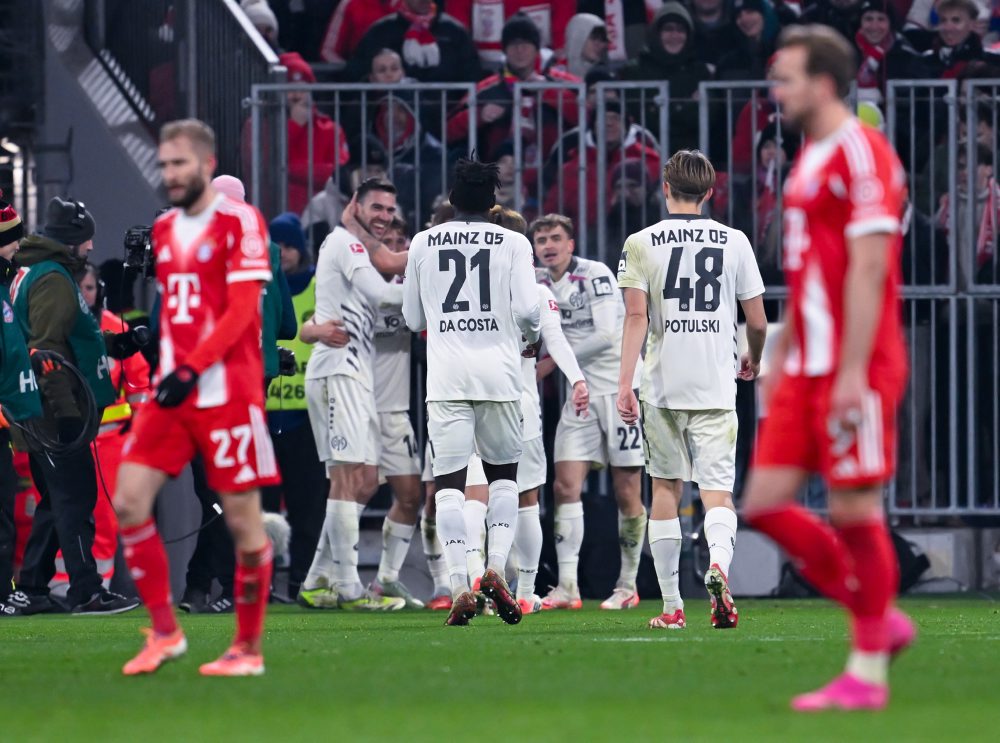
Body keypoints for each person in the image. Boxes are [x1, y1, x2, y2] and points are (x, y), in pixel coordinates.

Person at [742, 25, 915, 711]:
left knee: (851, 509)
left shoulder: (862, 153)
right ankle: (877, 614)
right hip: (807, 359)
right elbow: (809, 269)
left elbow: (871, 268)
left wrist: (850, 372)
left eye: (785, 79)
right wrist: (781, 350)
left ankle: (866, 670)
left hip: (855, 362)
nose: (776, 92)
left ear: (822, 82)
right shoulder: (810, 155)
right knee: (764, 504)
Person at [114, 118, 280, 676]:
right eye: (164, 164)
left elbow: (240, 312)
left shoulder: (241, 222)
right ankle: (165, 633)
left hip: (225, 390)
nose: (170, 174)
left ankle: (248, 650)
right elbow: (176, 313)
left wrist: (193, 367)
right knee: (129, 502)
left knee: (241, 523)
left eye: (180, 163)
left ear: (206, 164)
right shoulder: (165, 232)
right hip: (176, 388)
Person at [616, 150, 767, 630]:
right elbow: (757, 320)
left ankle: (671, 608)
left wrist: (625, 383)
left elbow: (636, 317)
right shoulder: (734, 240)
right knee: (717, 493)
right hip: (716, 384)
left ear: (665, 187)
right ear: (709, 192)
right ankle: (719, 568)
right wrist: (754, 356)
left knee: (664, 488)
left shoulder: (641, 242)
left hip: (662, 385)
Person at [402, 158, 540, 626]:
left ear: (451, 200)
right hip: (499, 375)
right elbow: (527, 308)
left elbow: (414, 320)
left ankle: (460, 583)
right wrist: (531, 335)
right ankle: (497, 568)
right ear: (493, 202)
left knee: (449, 486)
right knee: (504, 477)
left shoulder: (422, 242)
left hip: (446, 379)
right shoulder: (515, 242)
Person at [5, 197, 139, 617]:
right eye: (85, 240)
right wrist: (65, 415)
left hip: (40, 406)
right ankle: (85, 590)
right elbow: (45, 351)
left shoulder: (40, 272)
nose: (90, 248)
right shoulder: (52, 279)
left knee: (54, 502)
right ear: (71, 240)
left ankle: (31, 587)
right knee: (75, 499)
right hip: (53, 410)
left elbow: (69, 340)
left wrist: (122, 343)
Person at [296, 178, 408, 612]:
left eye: (389, 209)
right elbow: (382, 293)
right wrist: (431, 293)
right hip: (336, 371)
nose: (384, 216)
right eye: (376, 207)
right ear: (354, 207)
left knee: (361, 480)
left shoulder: (356, 244)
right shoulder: (342, 243)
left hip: (357, 374)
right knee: (346, 478)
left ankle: (315, 581)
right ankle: (348, 587)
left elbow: (390, 259)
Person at [529, 213, 646, 611]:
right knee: (564, 486)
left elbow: (606, 334)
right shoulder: (536, 282)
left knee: (627, 490)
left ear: (571, 243)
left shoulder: (595, 274)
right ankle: (567, 588)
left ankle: (628, 584)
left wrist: (549, 364)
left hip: (618, 390)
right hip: (578, 394)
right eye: (541, 239)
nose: (548, 245)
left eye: (555, 238)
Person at [487, 205, 589, 614]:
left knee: (478, 498)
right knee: (525, 497)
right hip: (521, 402)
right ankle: (526, 592)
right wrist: (577, 378)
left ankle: (475, 581)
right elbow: (557, 342)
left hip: (472, 397)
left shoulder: (476, 289)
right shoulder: (537, 290)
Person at [263, 211, 333, 602]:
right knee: (265, 511)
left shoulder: (320, 288)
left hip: (308, 416)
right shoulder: (258, 287)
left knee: (308, 509)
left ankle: (303, 584)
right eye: (277, 245)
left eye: (289, 245)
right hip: (267, 410)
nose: (284, 253)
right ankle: (265, 587)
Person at [359, 216, 425, 609]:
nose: (399, 249)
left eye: (404, 242)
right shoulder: (359, 285)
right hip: (360, 406)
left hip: (396, 409)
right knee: (356, 491)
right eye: (392, 242)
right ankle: (336, 577)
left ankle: (385, 579)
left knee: (410, 494)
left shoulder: (409, 290)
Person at [445, 14, 581, 167]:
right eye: (513, 44)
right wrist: (478, 115)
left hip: (553, 176)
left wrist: (549, 93)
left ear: (537, 49)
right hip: (497, 178)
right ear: (504, 50)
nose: (519, 50)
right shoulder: (486, 89)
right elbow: (448, 132)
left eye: (526, 44)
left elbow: (589, 119)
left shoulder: (563, 84)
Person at [0, 197, 41, 603]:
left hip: (7, 420)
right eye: (12, 239)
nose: (18, 246)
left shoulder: (6, 286)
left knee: (5, 514)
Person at [619, 2, 713, 152]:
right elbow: (642, 120)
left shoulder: (700, 72)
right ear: (656, 33)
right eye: (668, 29)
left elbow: (707, 117)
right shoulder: (634, 71)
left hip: (689, 159)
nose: (674, 36)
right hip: (645, 155)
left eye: (680, 30)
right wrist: (684, 106)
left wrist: (660, 109)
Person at [345, 0, 482, 86]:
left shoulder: (454, 30)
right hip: (390, 118)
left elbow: (472, 75)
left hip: (446, 117)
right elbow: (356, 74)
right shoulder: (380, 31)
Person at [280, 52, 351, 214]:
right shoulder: (268, 126)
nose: (297, 95)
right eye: (290, 89)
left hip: (322, 214)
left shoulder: (331, 128)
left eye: (302, 88)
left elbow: (336, 174)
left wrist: (291, 169)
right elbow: (271, 168)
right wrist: (295, 126)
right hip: (283, 211)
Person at [446, 0, 576, 67]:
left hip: (539, 71)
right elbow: (457, 31)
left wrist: (558, 69)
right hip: (481, 70)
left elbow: (562, 33)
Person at [563, 13, 610, 80]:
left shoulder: (605, 76)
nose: (599, 44)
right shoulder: (553, 73)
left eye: (603, 39)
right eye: (593, 38)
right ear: (577, 37)